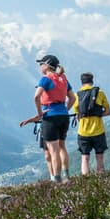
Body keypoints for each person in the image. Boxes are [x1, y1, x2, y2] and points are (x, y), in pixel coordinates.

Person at [26, 54, 76, 182]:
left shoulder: (45, 79)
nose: (40, 66)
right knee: (62, 147)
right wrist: (65, 110)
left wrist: (39, 114)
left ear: (47, 65)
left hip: (50, 116)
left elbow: (36, 97)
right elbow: (73, 98)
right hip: (64, 116)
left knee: (53, 150)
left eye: (41, 64)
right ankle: (66, 176)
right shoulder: (63, 78)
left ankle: (57, 180)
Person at [73, 72, 110, 175]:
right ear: (92, 81)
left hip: (83, 132)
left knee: (85, 158)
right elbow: (108, 112)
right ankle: (101, 180)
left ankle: (85, 183)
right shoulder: (100, 93)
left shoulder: (77, 95)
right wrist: (97, 114)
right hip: (98, 131)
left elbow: (77, 116)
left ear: (82, 82)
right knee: (99, 157)